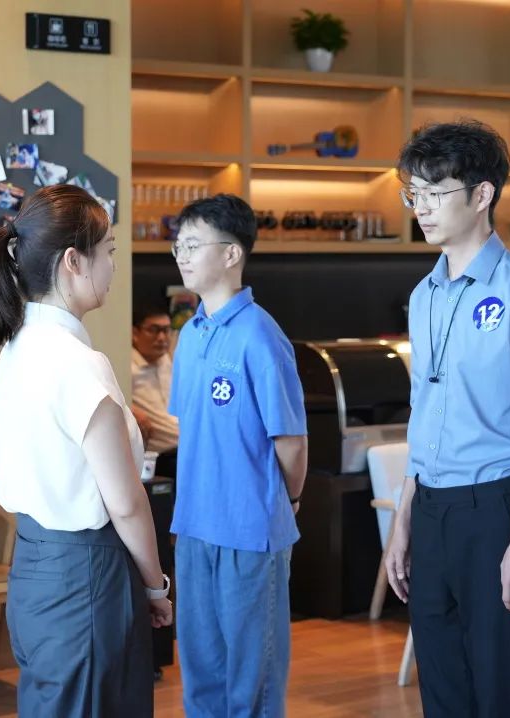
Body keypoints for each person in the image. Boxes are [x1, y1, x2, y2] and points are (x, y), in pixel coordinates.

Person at [384, 120, 510, 718]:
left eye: (435, 192)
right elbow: (424, 415)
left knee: (502, 694)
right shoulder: (423, 295)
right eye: (413, 194)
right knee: (442, 692)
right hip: (432, 511)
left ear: (482, 194)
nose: (421, 208)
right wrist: (403, 519)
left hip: (499, 511)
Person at [0, 185, 172, 716]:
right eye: (108, 251)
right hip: (88, 574)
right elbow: (125, 502)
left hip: (33, 567)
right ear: (73, 261)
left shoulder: (15, 348)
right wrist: (156, 587)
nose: (113, 265)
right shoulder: (79, 363)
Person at [168, 194, 308, 717]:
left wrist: (290, 500)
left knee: (253, 677)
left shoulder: (260, 336)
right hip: (194, 525)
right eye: (178, 246)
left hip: (249, 530)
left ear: (231, 254)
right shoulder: (190, 335)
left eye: (193, 245)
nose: (182, 256)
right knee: (201, 670)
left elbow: (291, 441)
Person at [130, 303, 179, 454]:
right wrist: (129, 408)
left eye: (166, 330)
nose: (162, 338)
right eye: (154, 330)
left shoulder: (167, 359)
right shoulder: (125, 365)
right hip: (161, 454)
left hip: (186, 446)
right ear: (134, 333)